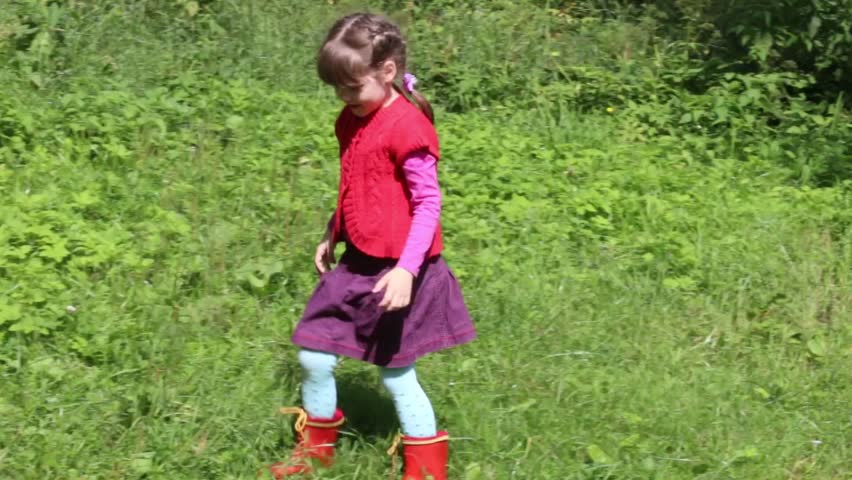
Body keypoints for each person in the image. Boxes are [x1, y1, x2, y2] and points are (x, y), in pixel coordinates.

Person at [268, 12, 477, 480]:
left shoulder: (408, 128)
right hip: (357, 261)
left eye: (352, 87)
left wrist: (406, 270)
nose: (344, 98)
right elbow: (358, 184)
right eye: (337, 89)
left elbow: (427, 205)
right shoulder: (351, 118)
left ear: (386, 72)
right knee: (314, 354)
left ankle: (426, 468)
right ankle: (316, 450)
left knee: (395, 371)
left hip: (398, 270)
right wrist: (332, 230)